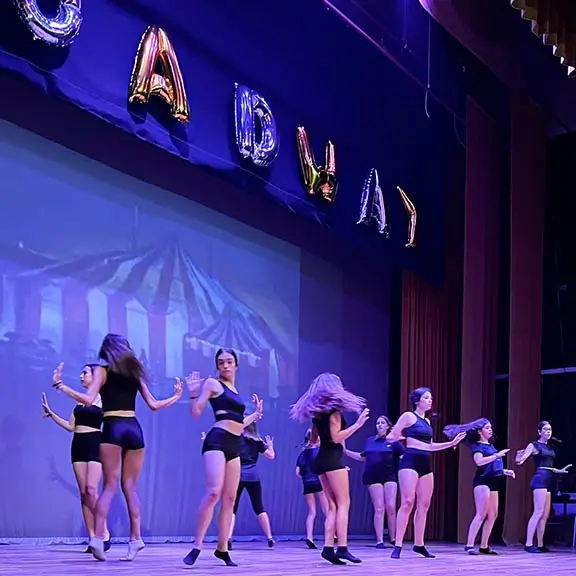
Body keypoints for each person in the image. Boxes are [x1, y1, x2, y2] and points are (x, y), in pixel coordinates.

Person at [52, 333, 183, 561]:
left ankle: (97, 540)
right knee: (130, 488)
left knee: (110, 486)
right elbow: (152, 404)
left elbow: (87, 399)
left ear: (106, 351)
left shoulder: (102, 372)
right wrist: (175, 397)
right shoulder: (135, 372)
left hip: (113, 427)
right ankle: (136, 539)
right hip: (134, 428)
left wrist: (61, 387)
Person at [183, 348, 263, 567]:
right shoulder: (212, 384)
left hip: (234, 445)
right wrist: (192, 392)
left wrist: (255, 415)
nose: (225, 366)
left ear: (236, 365)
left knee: (230, 499)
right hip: (216, 440)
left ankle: (222, 548)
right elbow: (196, 412)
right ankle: (197, 546)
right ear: (217, 366)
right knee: (213, 492)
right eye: (221, 363)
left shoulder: (234, 390)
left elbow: (237, 423)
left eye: (229, 362)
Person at [290, 372, 369, 565]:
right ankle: (342, 548)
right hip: (333, 459)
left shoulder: (317, 415)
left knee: (332, 506)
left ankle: (327, 548)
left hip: (321, 460)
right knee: (343, 504)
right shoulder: (333, 412)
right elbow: (336, 437)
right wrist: (357, 425)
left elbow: (313, 440)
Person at [386, 387, 465, 559]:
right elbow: (391, 436)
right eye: (426, 398)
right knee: (407, 502)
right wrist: (404, 438)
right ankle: (398, 544)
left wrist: (450, 443)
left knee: (424, 504)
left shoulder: (428, 423)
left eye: (431, 398)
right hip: (410, 460)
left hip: (425, 462)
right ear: (417, 401)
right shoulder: (408, 416)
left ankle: (419, 544)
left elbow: (430, 446)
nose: (430, 400)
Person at [41, 364, 111, 552]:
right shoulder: (79, 403)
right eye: (81, 372)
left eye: (85, 372)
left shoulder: (103, 400)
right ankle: (92, 539)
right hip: (78, 445)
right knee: (83, 493)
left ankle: (102, 531)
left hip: (95, 443)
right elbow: (71, 426)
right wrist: (52, 414)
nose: (81, 376)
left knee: (91, 490)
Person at [443, 418, 515, 555]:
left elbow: (492, 466)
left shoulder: (490, 445)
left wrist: (504, 471)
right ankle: (469, 545)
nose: (490, 430)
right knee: (481, 514)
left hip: (494, 481)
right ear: (480, 431)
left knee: (493, 515)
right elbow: (479, 462)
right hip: (482, 482)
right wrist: (497, 455)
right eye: (487, 428)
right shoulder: (477, 446)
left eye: (490, 427)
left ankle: (484, 546)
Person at [344, 415, 404, 548]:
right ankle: (380, 540)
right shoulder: (370, 441)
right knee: (379, 508)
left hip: (389, 476)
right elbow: (362, 457)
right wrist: (346, 451)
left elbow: (403, 457)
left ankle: (394, 538)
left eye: (383, 423)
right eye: (378, 423)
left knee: (390, 506)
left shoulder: (394, 442)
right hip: (373, 476)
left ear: (388, 426)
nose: (380, 425)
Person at [515, 420, 572, 553]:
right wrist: (518, 457)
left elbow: (550, 466)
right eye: (545, 430)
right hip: (540, 479)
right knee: (538, 512)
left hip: (549, 479)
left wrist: (560, 470)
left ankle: (540, 544)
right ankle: (529, 544)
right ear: (539, 432)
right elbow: (520, 461)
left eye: (550, 430)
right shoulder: (534, 445)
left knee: (545, 515)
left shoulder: (550, 447)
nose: (548, 432)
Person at [228, 421, 275, 548]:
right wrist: (270, 446)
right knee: (259, 507)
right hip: (253, 476)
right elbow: (271, 456)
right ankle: (270, 538)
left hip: (237, 476)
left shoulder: (236, 439)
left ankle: (228, 538)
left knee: (232, 508)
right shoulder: (257, 441)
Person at [296, 428, 330, 549]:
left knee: (312, 512)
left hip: (307, 483)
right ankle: (330, 536)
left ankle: (309, 537)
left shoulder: (302, 454)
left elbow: (297, 472)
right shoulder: (320, 452)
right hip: (319, 482)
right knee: (327, 511)